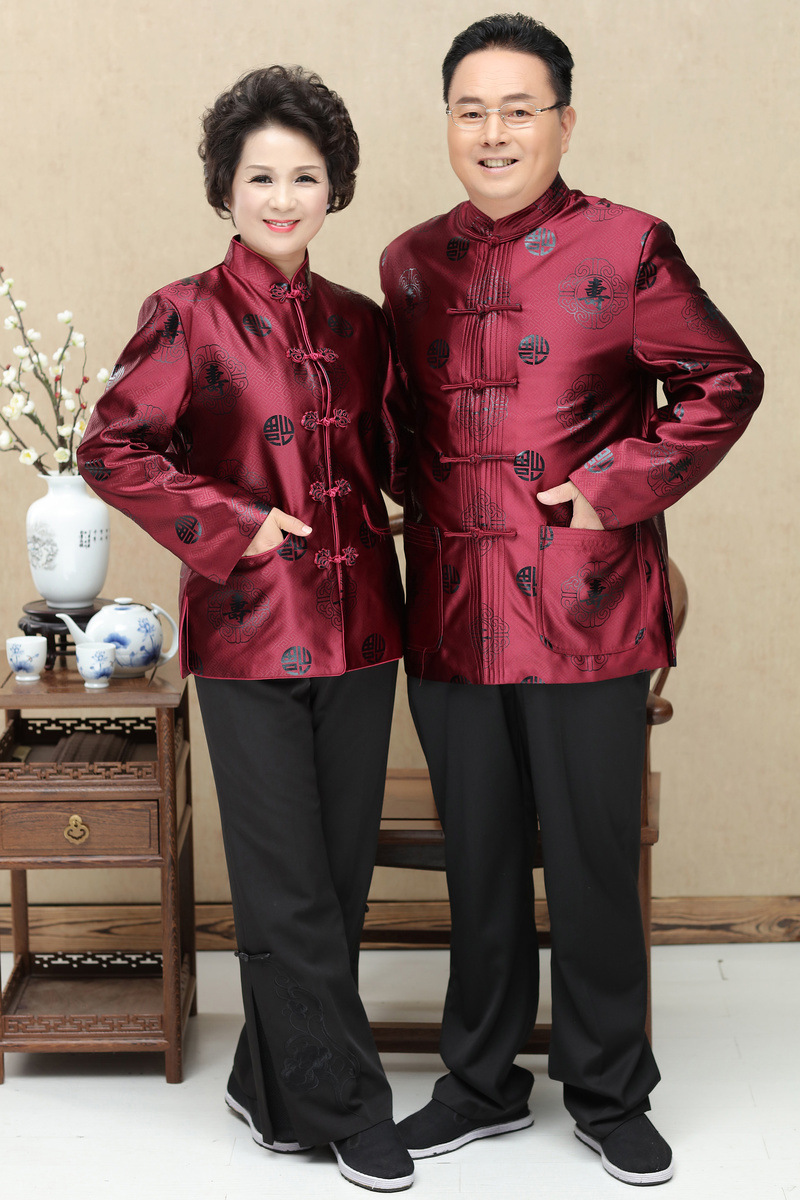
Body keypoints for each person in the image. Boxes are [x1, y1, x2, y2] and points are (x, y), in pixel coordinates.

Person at [380, 13, 763, 1188]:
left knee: (591, 863)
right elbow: (395, 424)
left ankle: (606, 1091)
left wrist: (613, 486)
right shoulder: (408, 263)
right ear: (447, 123)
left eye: (518, 108)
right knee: (481, 861)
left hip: (588, 614)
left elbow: (724, 377)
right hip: (451, 613)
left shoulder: (627, 245)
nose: (492, 132)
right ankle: (480, 1084)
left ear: (562, 121)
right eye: (470, 110)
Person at [78, 65, 415, 1193]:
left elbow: (395, 460)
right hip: (247, 631)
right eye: (260, 177)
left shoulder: (362, 324)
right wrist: (235, 523)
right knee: (283, 884)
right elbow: (111, 447)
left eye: (304, 177)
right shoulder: (185, 314)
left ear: (334, 189)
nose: (282, 198)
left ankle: (266, 1086)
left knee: (338, 877)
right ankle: (348, 1109)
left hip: (365, 632)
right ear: (225, 188)